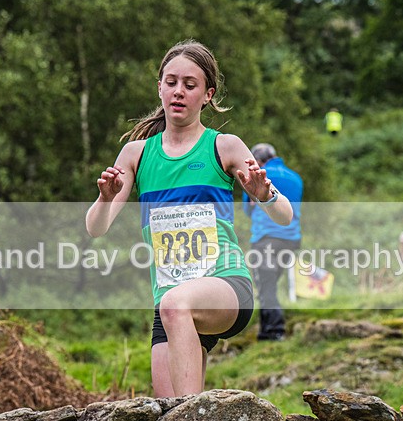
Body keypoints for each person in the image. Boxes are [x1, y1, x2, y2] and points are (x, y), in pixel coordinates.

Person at [86, 40, 293, 398]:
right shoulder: (136, 155)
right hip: (170, 304)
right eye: (171, 82)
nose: (178, 92)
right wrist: (105, 200)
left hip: (225, 286)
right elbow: (95, 227)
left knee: (175, 308)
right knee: (168, 412)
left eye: (190, 85)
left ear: (207, 95)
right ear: (160, 88)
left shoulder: (223, 146)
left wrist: (264, 195)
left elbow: (285, 215)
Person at [243, 143, 303, 341]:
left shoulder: (258, 175)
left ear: (259, 161)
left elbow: (248, 209)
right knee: (270, 284)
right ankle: (265, 330)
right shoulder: (295, 177)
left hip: (266, 238)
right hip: (292, 238)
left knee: (265, 285)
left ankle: (274, 331)